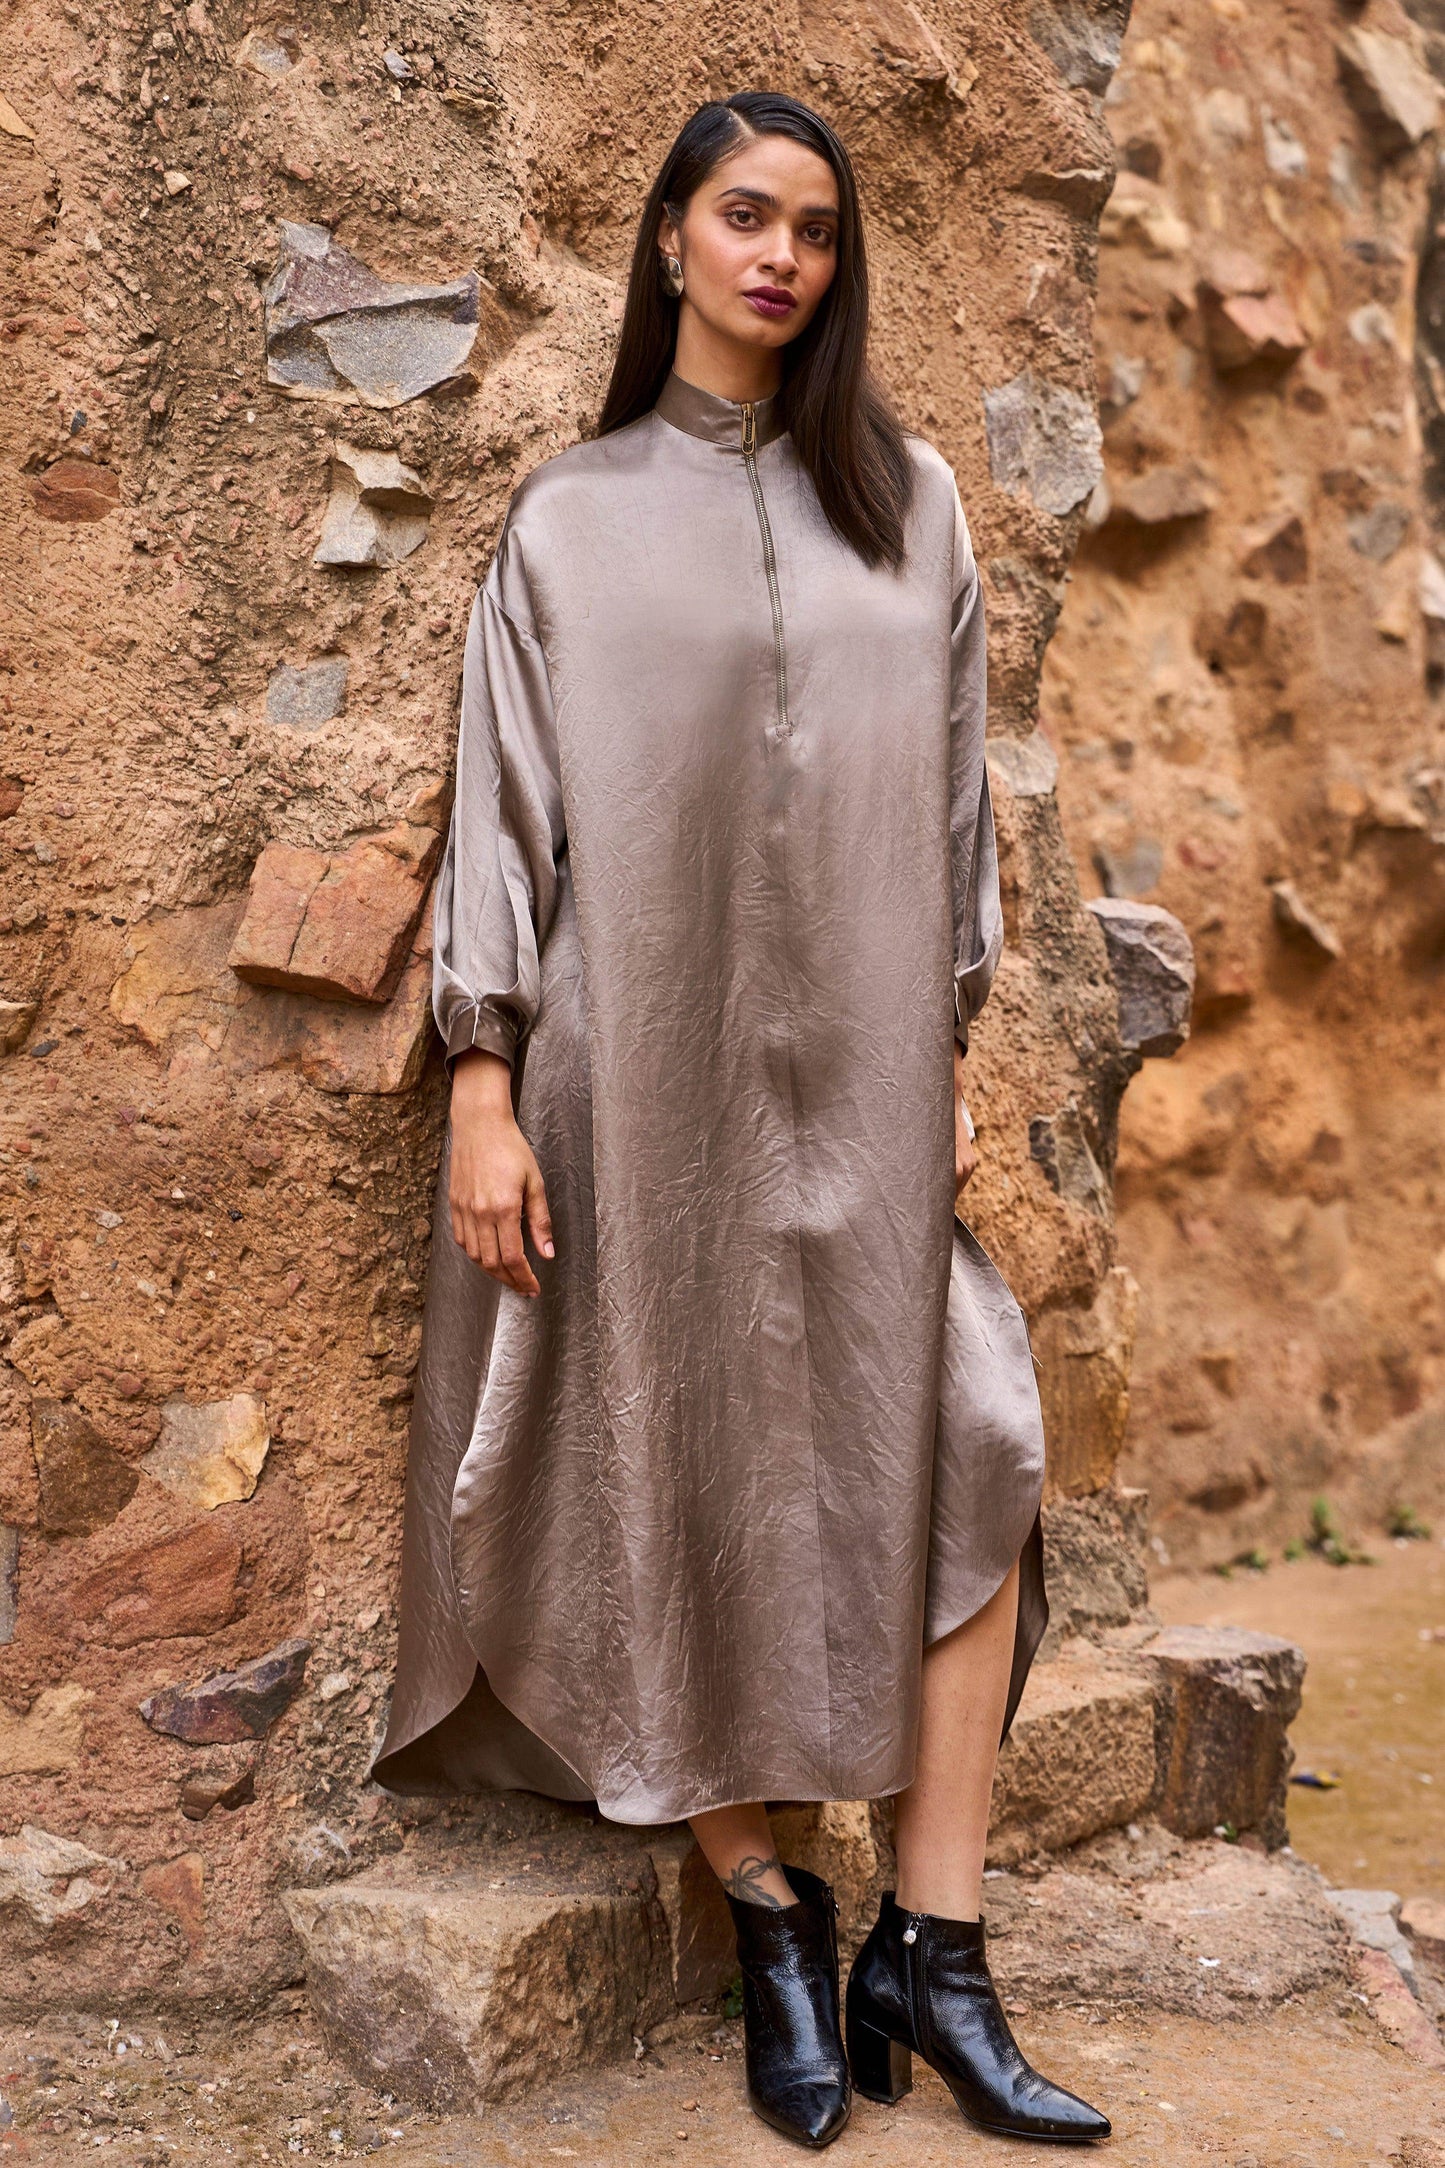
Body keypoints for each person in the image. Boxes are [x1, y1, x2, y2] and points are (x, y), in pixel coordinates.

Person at [372, 89, 1109, 2149]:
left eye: (816, 229)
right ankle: (774, 1916)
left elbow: (954, 820)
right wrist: (484, 1084)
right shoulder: (568, 519)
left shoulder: (915, 504)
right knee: (663, 1469)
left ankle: (935, 1949)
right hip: (634, 1076)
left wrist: (942, 1060)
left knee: (974, 1444)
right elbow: (505, 817)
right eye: (746, 216)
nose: (783, 255)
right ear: (673, 241)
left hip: (869, 1077)